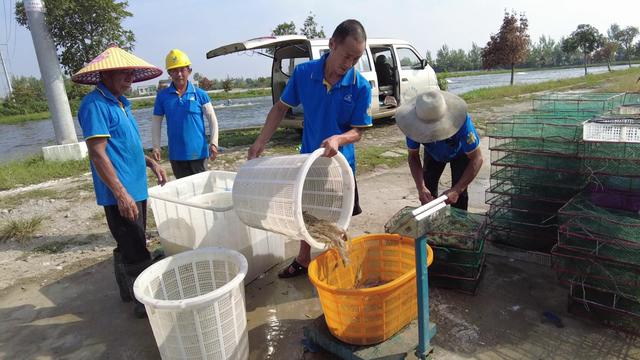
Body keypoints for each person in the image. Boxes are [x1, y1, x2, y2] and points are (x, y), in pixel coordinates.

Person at [247, 19, 372, 278]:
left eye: (356, 59)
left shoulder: (360, 86)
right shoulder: (305, 74)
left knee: (338, 219)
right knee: (305, 214)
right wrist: (260, 141)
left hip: (340, 165)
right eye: (346, 56)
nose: (348, 64)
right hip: (309, 161)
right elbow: (280, 109)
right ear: (332, 44)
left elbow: (358, 131)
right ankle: (304, 260)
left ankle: (339, 262)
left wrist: (339, 139)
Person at [72, 46, 168, 318]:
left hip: (135, 186)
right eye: (122, 73)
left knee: (132, 241)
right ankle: (143, 305)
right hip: (121, 191)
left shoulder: (121, 104)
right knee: (136, 248)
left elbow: (127, 146)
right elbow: (97, 153)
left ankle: (128, 291)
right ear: (105, 74)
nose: (128, 78)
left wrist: (151, 162)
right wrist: (120, 193)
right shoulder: (95, 105)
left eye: (131, 73)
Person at [395, 89, 483, 209]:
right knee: (427, 193)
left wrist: (457, 190)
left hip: (460, 153)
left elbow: (477, 158)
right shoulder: (411, 126)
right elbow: (413, 156)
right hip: (433, 154)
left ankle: (458, 224)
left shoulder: (462, 121)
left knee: (459, 196)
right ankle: (430, 223)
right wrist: (420, 187)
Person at [152, 49, 219, 179]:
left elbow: (213, 120)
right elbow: (156, 123)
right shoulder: (162, 97)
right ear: (169, 73)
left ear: (189, 71)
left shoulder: (200, 94)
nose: (179, 74)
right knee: (184, 191)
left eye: (182, 70)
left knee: (201, 190)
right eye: (174, 70)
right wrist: (156, 147)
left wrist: (214, 143)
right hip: (176, 156)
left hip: (198, 153)